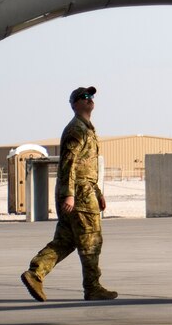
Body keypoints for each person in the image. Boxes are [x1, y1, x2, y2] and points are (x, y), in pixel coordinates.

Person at [21, 86, 117, 301]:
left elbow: (87, 165)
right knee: (91, 240)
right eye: (83, 97)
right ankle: (92, 288)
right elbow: (68, 164)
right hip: (79, 194)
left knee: (66, 240)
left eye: (91, 97)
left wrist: (99, 191)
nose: (89, 100)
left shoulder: (87, 128)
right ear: (74, 104)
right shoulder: (77, 130)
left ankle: (35, 273)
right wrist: (69, 194)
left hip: (85, 190)